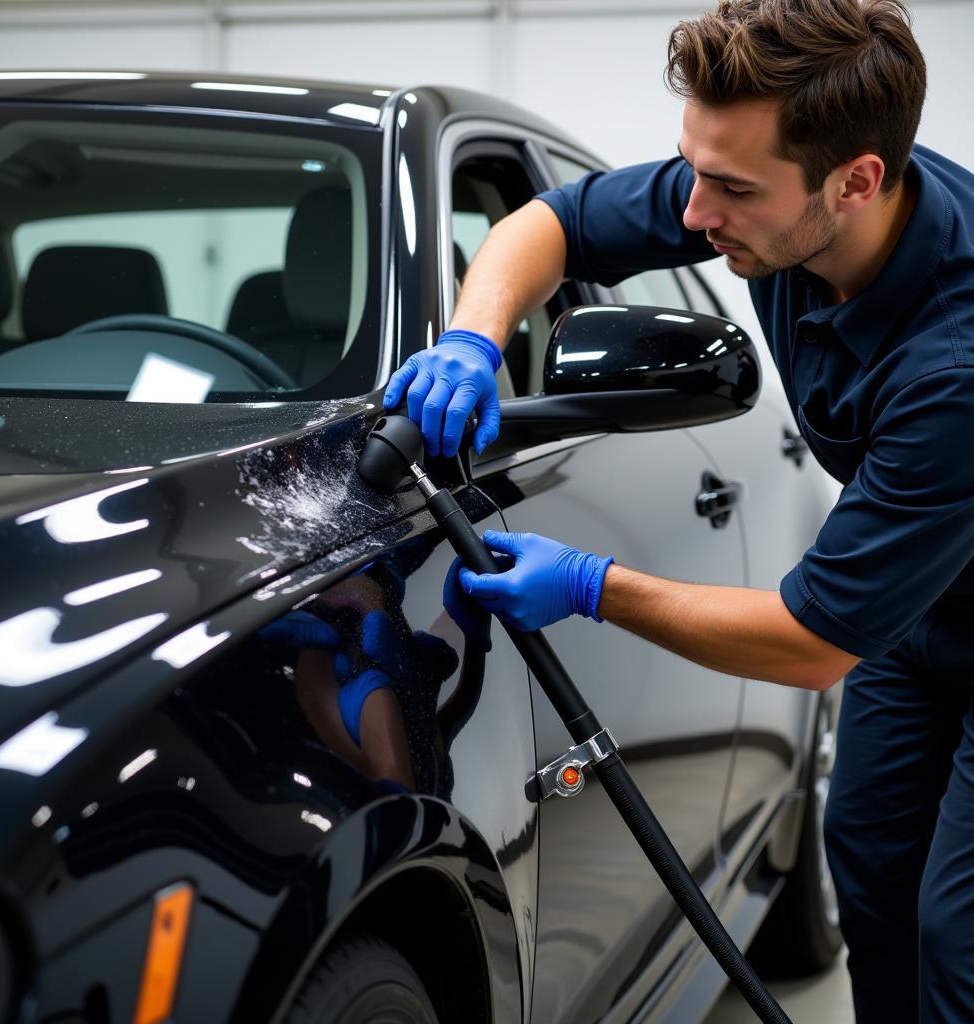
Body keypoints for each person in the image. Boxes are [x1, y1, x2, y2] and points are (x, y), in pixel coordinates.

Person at [383, 0, 974, 1020]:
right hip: (920, 608)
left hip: (907, 605)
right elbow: (551, 223)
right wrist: (475, 338)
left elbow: (810, 642)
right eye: (691, 169)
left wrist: (589, 584)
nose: (695, 214)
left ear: (857, 180)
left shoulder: (956, 366)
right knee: (871, 876)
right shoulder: (768, 189)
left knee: (958, 939)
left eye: (731, 189)